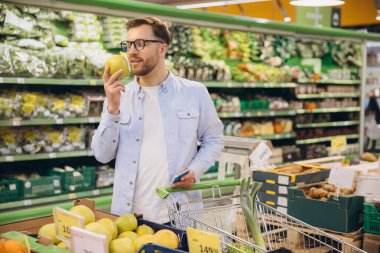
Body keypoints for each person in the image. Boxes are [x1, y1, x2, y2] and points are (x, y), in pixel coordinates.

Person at [91, 17, 224, 223]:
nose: (131, 51)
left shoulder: (194, 92)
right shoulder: (120, 96)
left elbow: (213, 140)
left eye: (140, 44)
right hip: (129, 217)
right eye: (128, 45)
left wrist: (195, 169)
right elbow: (101, 155)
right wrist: (112, 109)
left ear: (162, 49)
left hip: (179, 214)